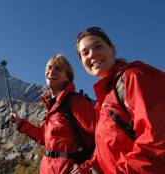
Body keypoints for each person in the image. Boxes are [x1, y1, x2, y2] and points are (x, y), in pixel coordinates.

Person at [71, 27, 165, 174]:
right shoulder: (104, 102)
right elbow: (108, 149)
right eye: (85, 53)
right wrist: (88, 167)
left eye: (98, 46)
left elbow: (158, 140)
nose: (92, 54)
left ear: (112, 49)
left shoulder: (135, 78)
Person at [9, 54, 96, 174]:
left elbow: (102, 135)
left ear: (67, 77)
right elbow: (43, 137)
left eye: (58, 69)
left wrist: (87, 166)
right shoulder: (53, 107)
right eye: (49, 68)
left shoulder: (76, 102)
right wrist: (20, 123)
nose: (51, 71)